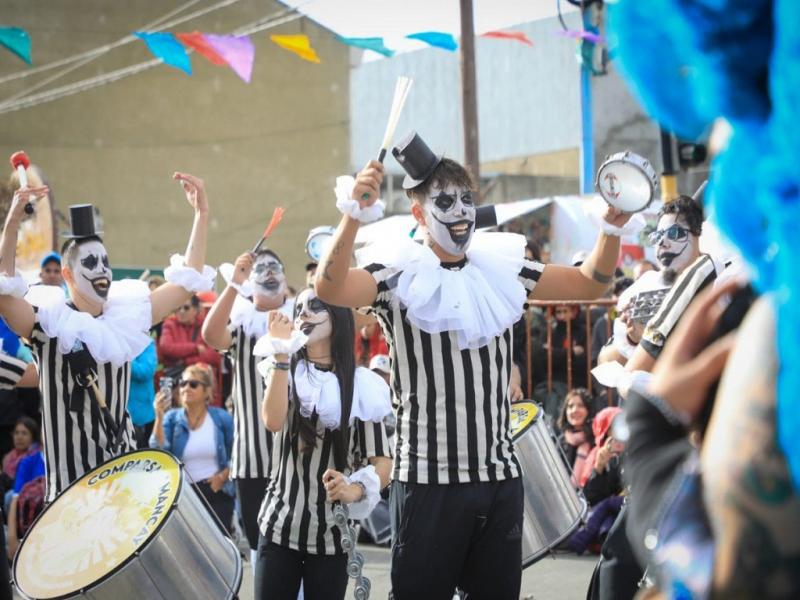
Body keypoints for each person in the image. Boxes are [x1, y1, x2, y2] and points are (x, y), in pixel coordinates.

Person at [315, 131, 633, 599]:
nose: (461, 211)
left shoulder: (502, 268)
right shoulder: (396, 273)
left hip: (499, 480)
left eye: (467, 199)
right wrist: (352, 216)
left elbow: (589, 283)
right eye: (446, 201)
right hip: (428, 482)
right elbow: (330, 289)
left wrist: (611, 228)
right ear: (420, 213)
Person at [0, 172, 214, 503]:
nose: (101, 270)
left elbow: (186, 282)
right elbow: (4, 293)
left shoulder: (125, 318)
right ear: (68, 275)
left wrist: (201, 215)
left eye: (105, 262)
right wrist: (13, 221)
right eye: (90, 263)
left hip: (122, 484)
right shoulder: (49, 324)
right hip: (70, 495)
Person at [253, 287, 393, 600]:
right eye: (299, 307)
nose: (302, 312)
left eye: (315, 305)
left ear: (339, 317)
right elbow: (272, 421)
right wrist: (280, 353)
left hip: (333, 539)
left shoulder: (361, 386)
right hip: (278, 530)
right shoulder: (286, 370)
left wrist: (354, 489)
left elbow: (383, 462)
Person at [202, 248, 294, 566]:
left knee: (299, 544)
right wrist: (233, 284)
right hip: (253, 460)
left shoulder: (304, 321)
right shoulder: (242, 327)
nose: (269, 272)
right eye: (261, 269)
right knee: (261, 549)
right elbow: (210, 334)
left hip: (300, 457)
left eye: (275, 266)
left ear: (285, 278)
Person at [151, 363, 235, 532]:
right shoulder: (172, 419)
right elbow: (159, 450)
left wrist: (223, 477)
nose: (186, 388)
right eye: (183, 383)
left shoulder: (221, 419)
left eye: (193, 384)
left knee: (217, 548)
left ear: (207, 392)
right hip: (184, 497)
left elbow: (239, 455)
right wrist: (159, 416)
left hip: (216, 492)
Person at [159, 294, 222, 404]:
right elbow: (166, 348)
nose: (182, 311)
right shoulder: (169, 324)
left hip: (202, 388)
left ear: (195, 310)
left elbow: (214, 356)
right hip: (174, 386)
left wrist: (186, 361)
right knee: (173, 418)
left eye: (186, 307)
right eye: (178, 308)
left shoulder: (205, 326)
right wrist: (195, 348)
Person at [556, 388, 594, 484]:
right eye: (570, 406)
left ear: (589, 410)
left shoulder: (595, 438)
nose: (574, 410)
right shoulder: (562, 440)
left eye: (580, 405)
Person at [128, 338, 157, 448]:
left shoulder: (145, 341)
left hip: (141, 417)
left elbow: (145, 371)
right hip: (117, 414)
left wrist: (122, 355)